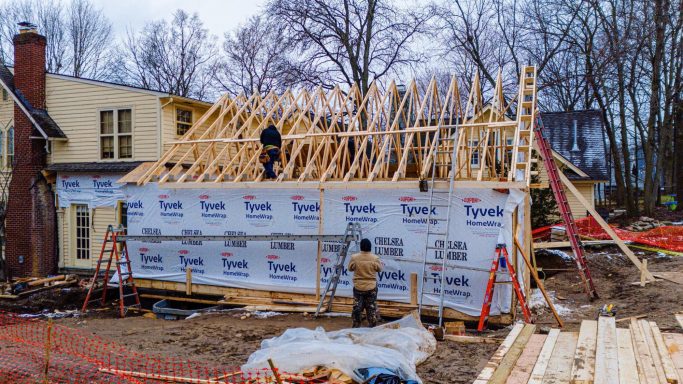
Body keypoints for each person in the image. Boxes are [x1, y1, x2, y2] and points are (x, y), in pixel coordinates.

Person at [348, 238, 383, 328]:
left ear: (361, 247)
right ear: (370, 247)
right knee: (371, 308)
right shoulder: (375, 258)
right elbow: (379, 269)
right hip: (371, 287)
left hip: (358, 287)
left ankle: (356, 326)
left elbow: (350, 268)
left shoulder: (354, 257)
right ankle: (372, 326)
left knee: (357, 308)